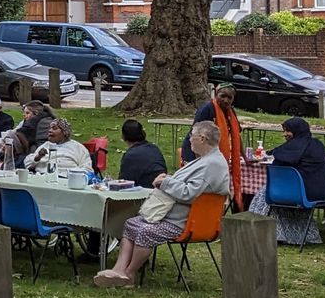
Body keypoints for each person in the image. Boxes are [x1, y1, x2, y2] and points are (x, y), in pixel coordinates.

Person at [93, 121, 231, 287]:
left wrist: (164, 182)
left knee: (145, 231)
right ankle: (119, 270)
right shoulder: (207, 159)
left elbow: (188, 194)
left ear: (202, 139)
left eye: (191, 135)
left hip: (185, 222)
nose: (189, 140)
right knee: (131, 223)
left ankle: (130, 274)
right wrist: (167, 180)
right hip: (174, 216)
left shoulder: (212, 164)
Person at [250, 114, 325, 245]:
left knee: (263, 194)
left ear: (296, 131)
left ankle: (257, 231)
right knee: (270, 191)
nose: (284, 134)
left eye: (287, 131)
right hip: (315, 192)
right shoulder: (316, 145)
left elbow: (278, 159)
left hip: (300, 193)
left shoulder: (294, 149)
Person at [189, 82, 243, 176]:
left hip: (217, 156)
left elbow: (237, 135)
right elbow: (195, 137)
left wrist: (245, 157)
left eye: (229, 98)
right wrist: (200, 162)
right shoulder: (207, 110)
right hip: (197, 154)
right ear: (216, 94)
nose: (225, 100)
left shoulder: (231, 112)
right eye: (222, 96)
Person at [24, 118, 94, 175]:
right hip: (43, 177)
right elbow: (27, 164)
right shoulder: (46, 145)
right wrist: (38, 157)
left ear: (64, 132)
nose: (50, 131)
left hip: (68, 179)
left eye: (54, 128)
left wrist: (75, 175)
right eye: (50, 128)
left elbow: (87, 169)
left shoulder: (77, 147)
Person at [116, 119, 167, 189]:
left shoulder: (130, 156)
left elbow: (124, 184)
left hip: (144, 192)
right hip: (163, 189)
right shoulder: (154, 148)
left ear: (123, 136)